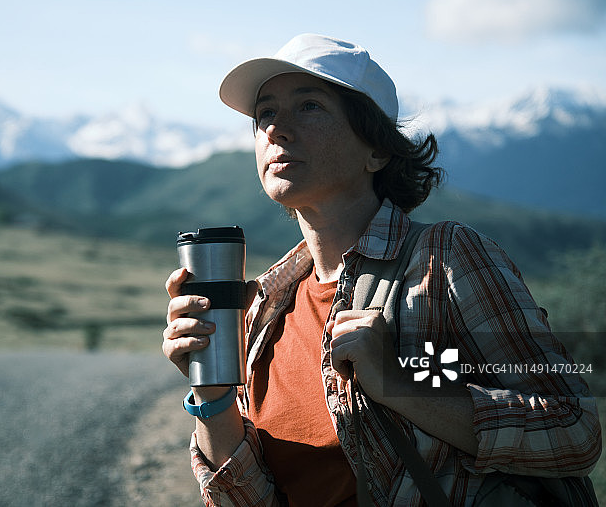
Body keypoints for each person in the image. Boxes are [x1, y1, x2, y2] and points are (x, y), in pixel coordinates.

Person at [162, 33, 601, 506]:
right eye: (265, 112)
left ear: (378, 151)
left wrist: (398, 382)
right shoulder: (264, 310)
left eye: (309, 106)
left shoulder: (445, 261)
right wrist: (212, 393)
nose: (276, 129)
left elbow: (573, 428)